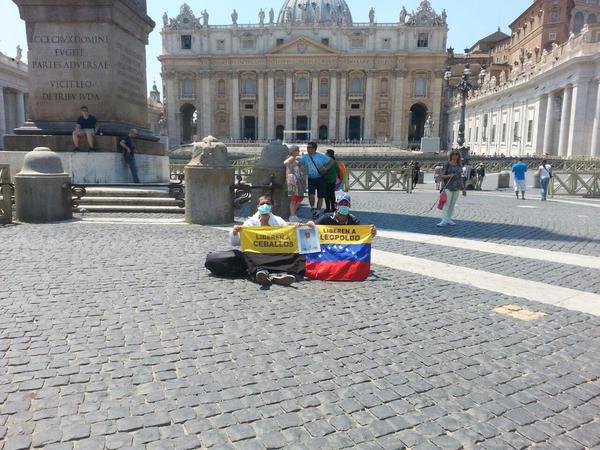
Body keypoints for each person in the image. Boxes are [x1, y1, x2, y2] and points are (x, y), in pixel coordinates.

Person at [229, 195, 298, 286]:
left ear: (271, 206)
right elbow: (236, 243)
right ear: (258, 206)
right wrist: (234, 232)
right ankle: (267, 274)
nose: (265, 205)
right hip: (256, 255)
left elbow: (289, 236)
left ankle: (273, 275)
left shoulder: (279, 221)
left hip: (274, 254)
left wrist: (298, 228)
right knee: (248, 257)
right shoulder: (250, 223)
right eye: (262, 203)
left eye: (268, 203)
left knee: (293, 257)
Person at [308, 193, 377, 238]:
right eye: (341, 204)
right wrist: (310, 224)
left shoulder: (353, 221)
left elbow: (363, 235)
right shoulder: (326, 218)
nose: (343, 206)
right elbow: (312, 226)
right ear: (336, 205)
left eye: (346, 205)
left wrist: (372, 232)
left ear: (349, 206)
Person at [298, 142, 335, 219]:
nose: (308, 149)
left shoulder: (321, 156)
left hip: (320, 178)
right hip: (311, 178)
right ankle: (312, 208)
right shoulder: (305, 156)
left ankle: (317, 212)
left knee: (320, 196)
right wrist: (301, 167)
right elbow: (299, 164)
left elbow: (332, 161)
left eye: (310, 147)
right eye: (307, 147)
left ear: (315, 149)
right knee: (311, 195)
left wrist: (326, 168)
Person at [438, 149, 466, 227]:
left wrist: (463, 189)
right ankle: (443, 220)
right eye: (453, 154)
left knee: (452, 204)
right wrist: (450, 175)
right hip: (448, 186)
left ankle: (449, 219)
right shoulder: (447, 164)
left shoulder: (459, 165)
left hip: (456, 187)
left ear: (458, 156)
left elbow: (461, 178)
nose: (455, 156)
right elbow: (442, 176)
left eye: (456, 154)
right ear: (451, 156)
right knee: (447, 204)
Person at [283, 145, 306, 222]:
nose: (299, 151)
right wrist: (291, 170)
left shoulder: (295, 159)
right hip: (293, 180)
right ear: (293, 151)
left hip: (297, 179)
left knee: (299, 197)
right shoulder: (292, 157)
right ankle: (292, 215)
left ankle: (293, 214)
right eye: (297, 150)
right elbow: (286, 163)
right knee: (295, 198)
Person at [323, 149, 340, 213]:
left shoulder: (327, 161)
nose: (325, 154)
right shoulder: (335, 162)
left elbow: (324, 170)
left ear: (328, 154)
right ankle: (333, 208)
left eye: (326, 153)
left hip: (327, 179)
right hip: (333, 180)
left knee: (327, 195)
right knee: (332, 195)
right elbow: (338, 171)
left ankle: (327, 208)